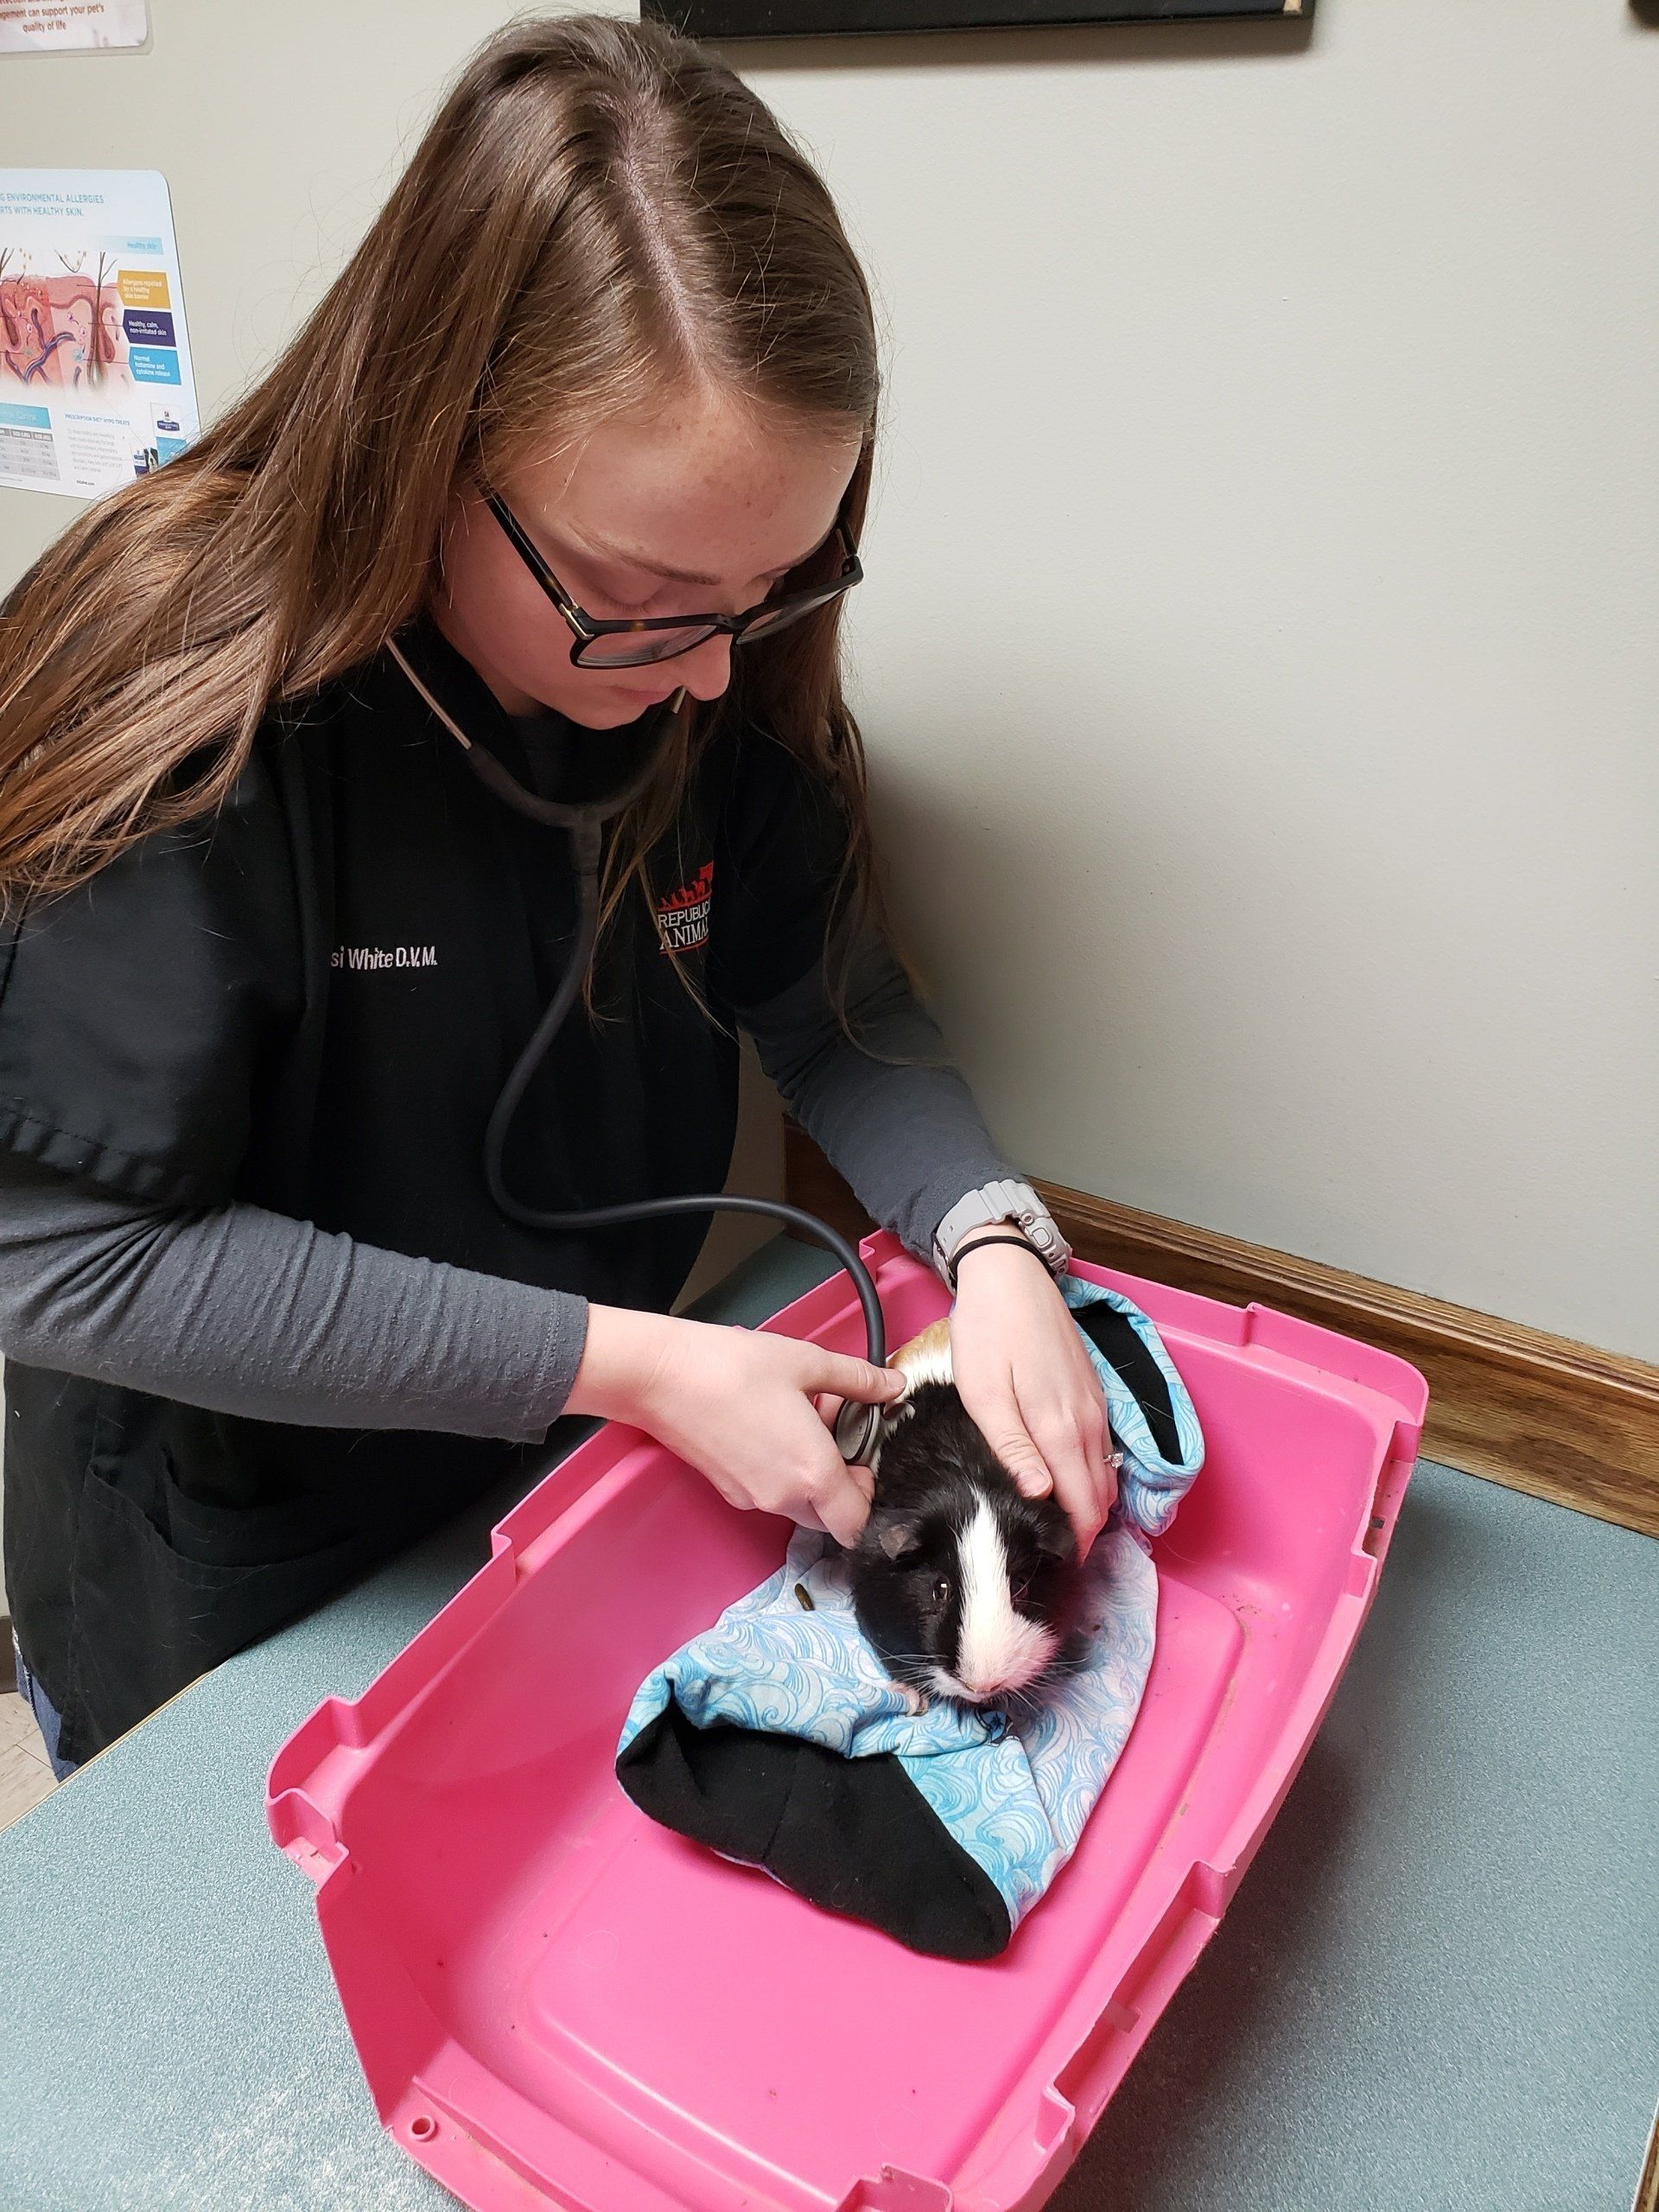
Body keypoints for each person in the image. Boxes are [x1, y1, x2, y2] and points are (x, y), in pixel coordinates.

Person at [0, 15, 1116, 1779]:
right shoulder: (182, 696)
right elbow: (65, 1258)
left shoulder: (711, 657)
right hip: (237, 1544)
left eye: (760, 592)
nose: (698, 682)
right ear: (430, 444)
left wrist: (987, 1235)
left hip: (567, 1450)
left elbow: (827, 1002)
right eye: (640, 598)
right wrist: (632, 1364)